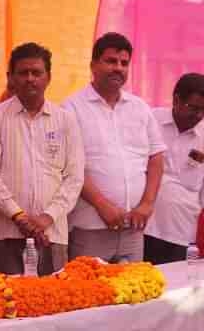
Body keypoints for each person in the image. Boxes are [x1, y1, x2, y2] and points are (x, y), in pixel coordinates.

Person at [0, 43, 84, 275]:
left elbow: (74, 178)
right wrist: (19, 217)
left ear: (48, 77)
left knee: (56, 305)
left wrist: (47, 217)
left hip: (52, 234)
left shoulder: (66, 120)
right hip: (7, 233)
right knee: (9, 304)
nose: (30, 79)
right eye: (23, 73)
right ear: (11, 78)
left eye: (37, 72)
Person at [63, 32, 166, 263]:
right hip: (91, 227)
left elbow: (156, 157)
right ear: (93, 65)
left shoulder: (139, 108)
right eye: (110, 61)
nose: (118, 68)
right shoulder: (71, 108)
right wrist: (102, 204)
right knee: (90, 295)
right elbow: (70, 166)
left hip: (134, 228)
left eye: (124, 63)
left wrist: (147, 205)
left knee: (135, 295)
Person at [144, 73, 204, 264]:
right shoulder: (150, 120)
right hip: (141, 229)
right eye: (193, 108)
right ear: (176, 99)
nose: (199, 116)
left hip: (179, 237)